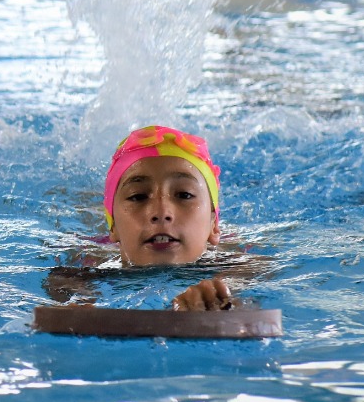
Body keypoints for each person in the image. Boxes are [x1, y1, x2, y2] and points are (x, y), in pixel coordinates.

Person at [44, 125, 255, 311]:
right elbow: (62, 294)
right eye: (138, 196)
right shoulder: (86, 268)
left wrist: (223, 301)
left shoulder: (237, 266)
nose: (161, 212)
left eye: (184, 195)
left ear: (214, 224)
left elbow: (244, 304)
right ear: (113, 226)